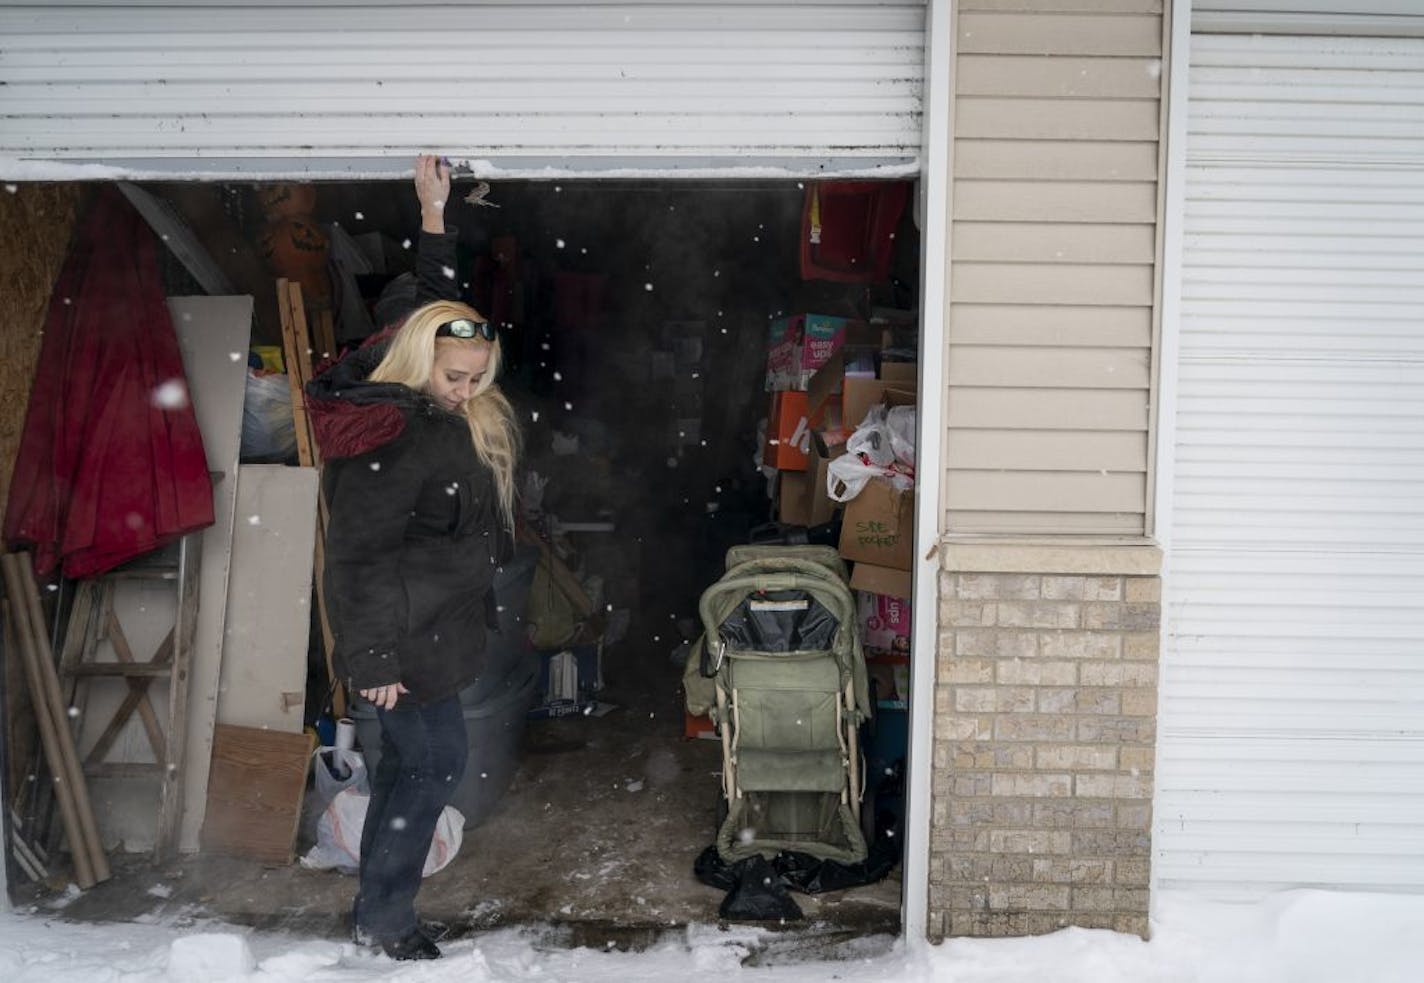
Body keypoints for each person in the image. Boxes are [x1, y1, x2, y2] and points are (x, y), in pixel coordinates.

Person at [305, 156, 520, 961]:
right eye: (456, 376)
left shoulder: (418, 378)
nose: (466, 390)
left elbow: (426, 302)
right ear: (418, 361)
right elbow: (355, 556)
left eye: (476, 378)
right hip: (402, 641)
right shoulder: (390, 433)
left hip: (433, 629)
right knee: (435, 764)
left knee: (414, 764)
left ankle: (378, 910)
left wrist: (434, 215)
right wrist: (371, 659)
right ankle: (388, 917)